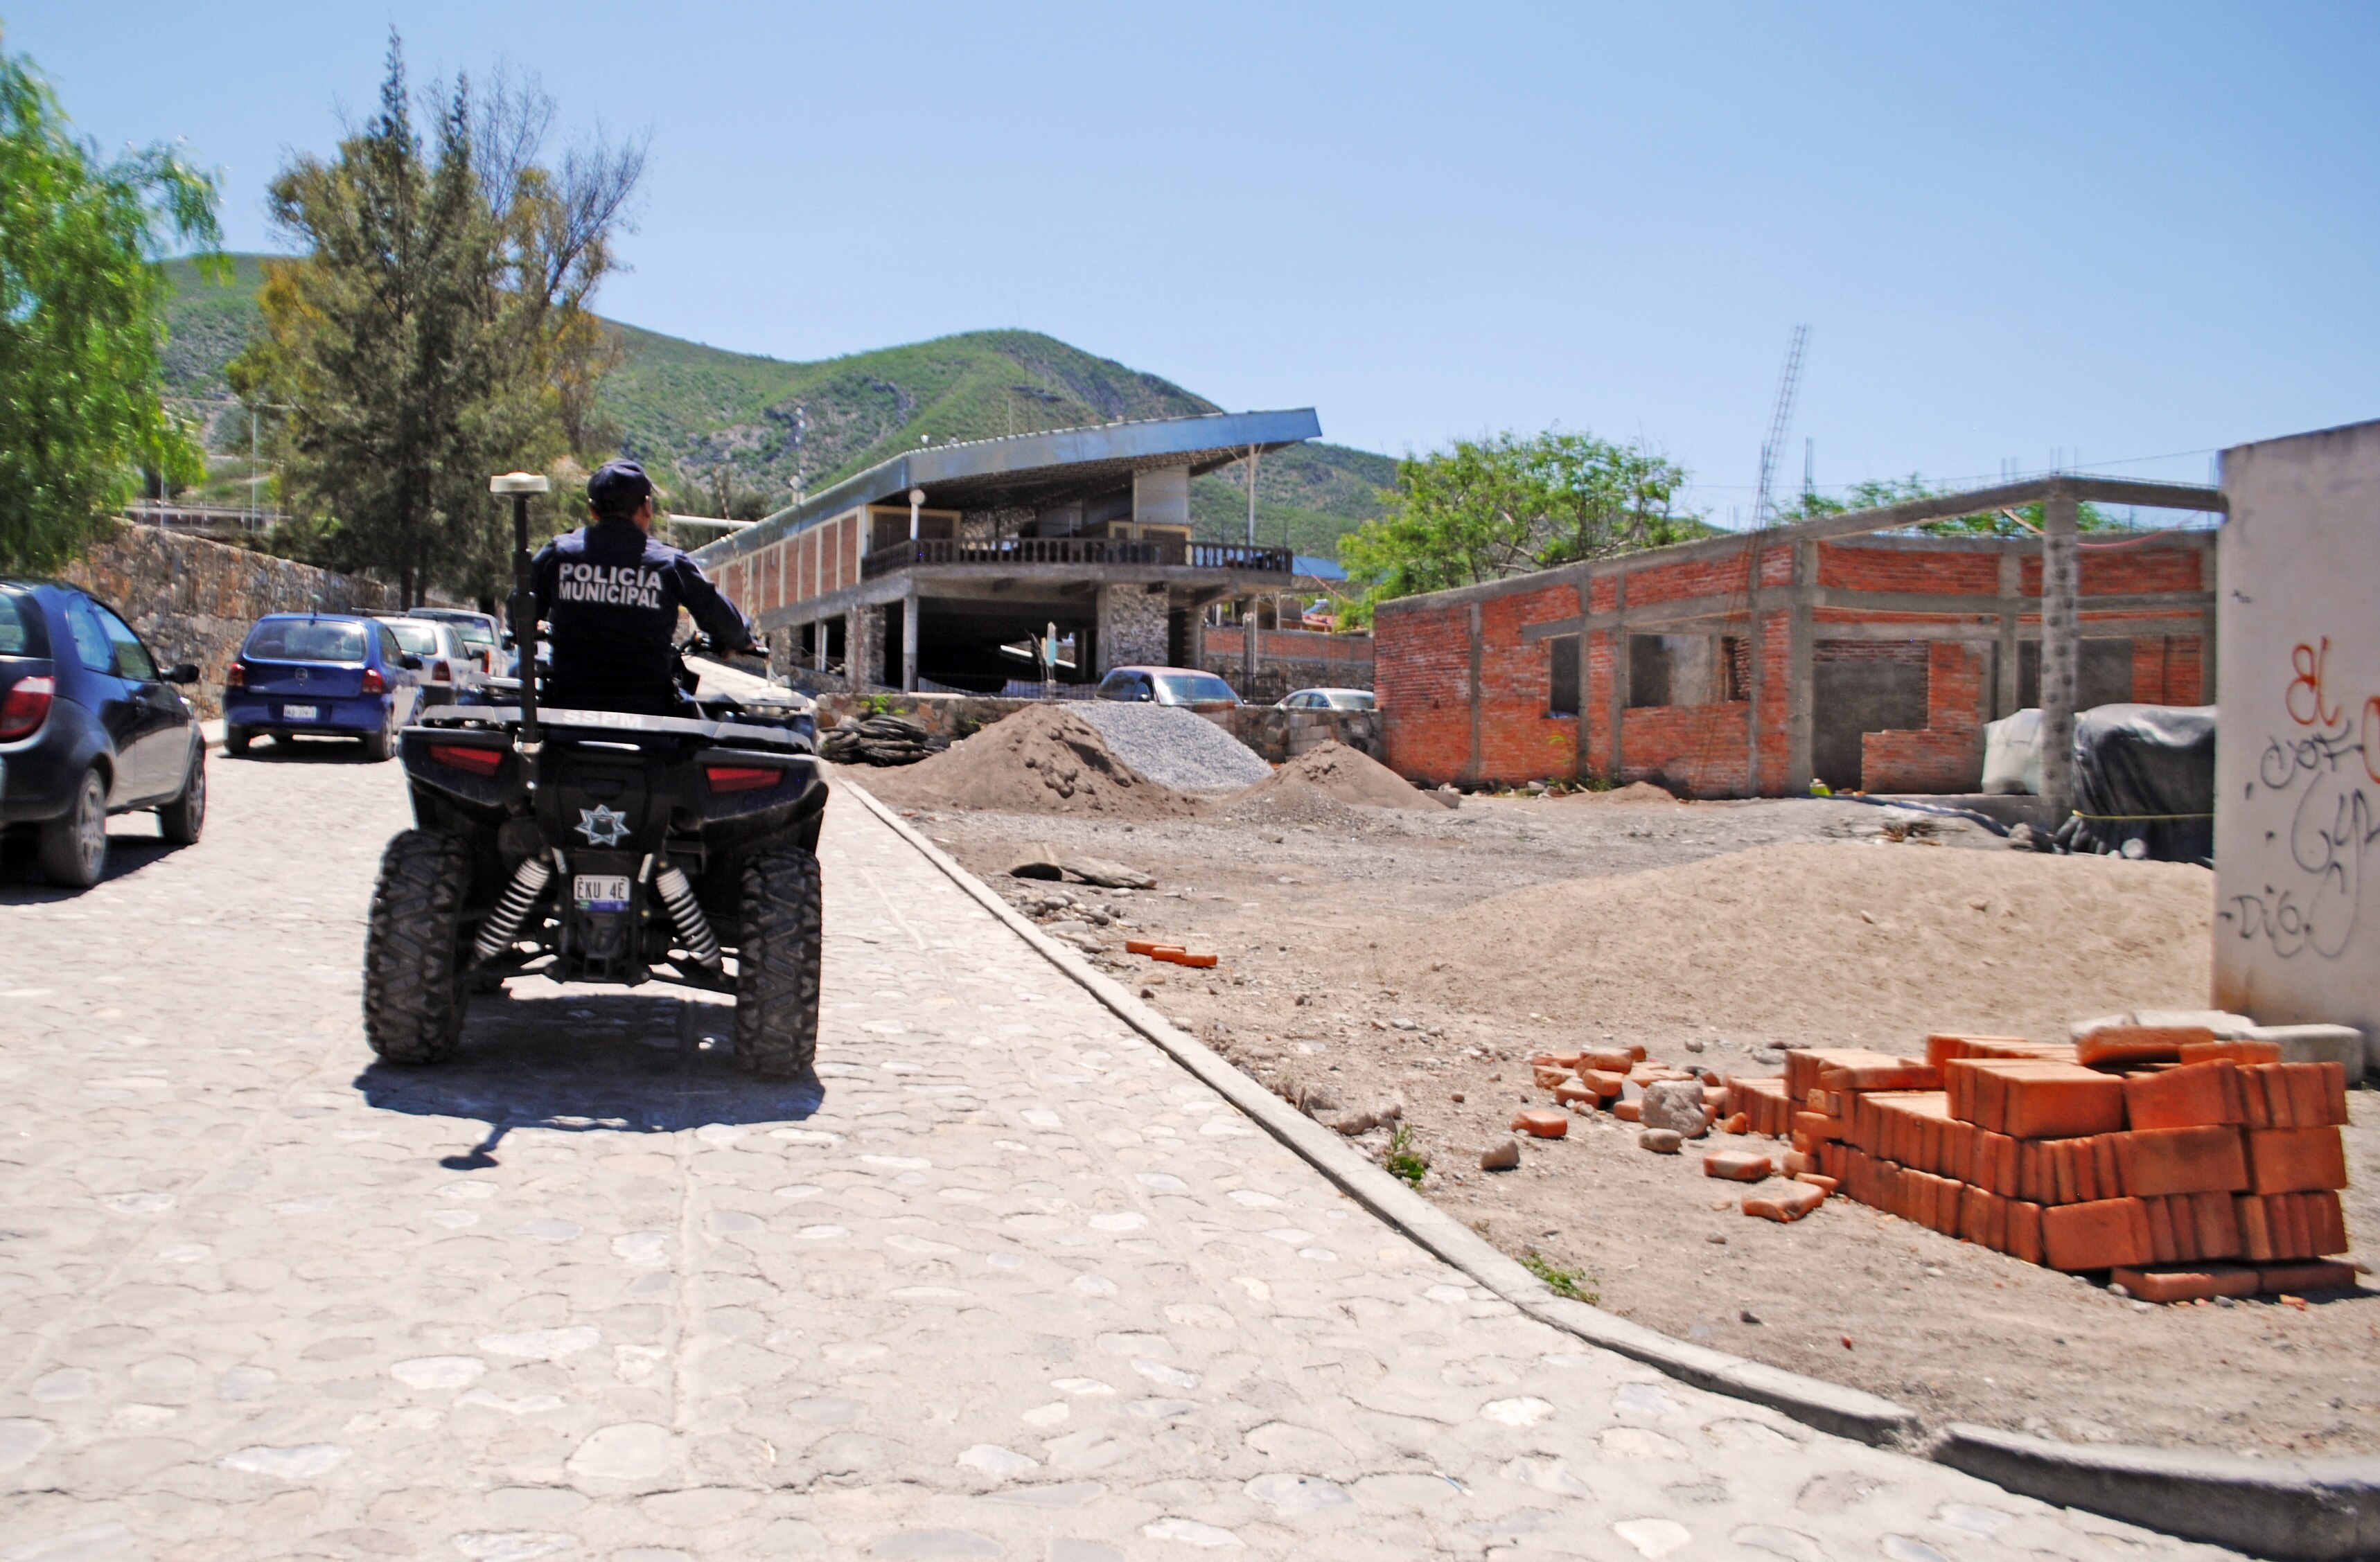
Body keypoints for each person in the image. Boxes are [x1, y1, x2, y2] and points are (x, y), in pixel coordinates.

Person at [529, 459, 755, 716]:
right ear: (646, 507)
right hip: (649, 712)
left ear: (593, 510)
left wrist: (533, 625)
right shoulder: (669, 562)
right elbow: (718, 614)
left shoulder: (558, 552)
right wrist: (742, 641)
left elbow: (520, 614)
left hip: (567, 707)